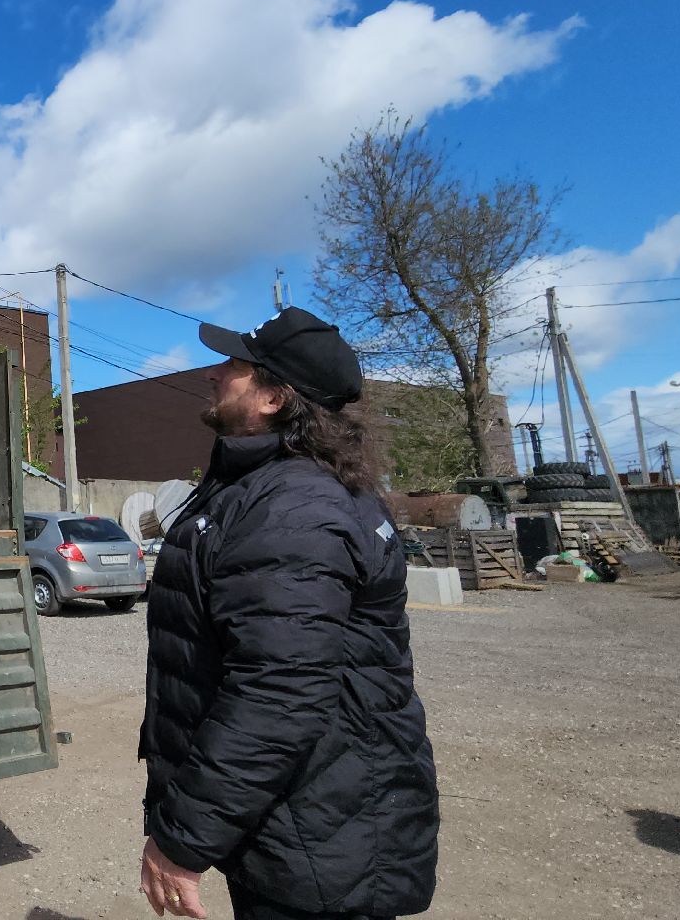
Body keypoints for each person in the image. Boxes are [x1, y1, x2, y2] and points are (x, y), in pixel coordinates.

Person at [137, 307, 439, 920]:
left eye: (234, 366)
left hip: (319, 827)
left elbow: (278, 692)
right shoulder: (272, 489)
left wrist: (183, 840)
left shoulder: (293, 509)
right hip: (302, 817)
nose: (214, 374)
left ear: (275, 396)